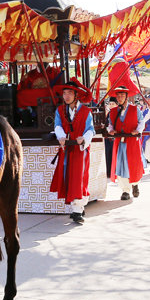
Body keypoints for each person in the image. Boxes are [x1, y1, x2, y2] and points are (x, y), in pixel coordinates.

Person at [50, 79, 94, 224]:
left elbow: (91, 130)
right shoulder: (60, 110)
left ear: (76, 95)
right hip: (67, 148)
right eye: (64, 93)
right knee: (68, 177)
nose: (66, 96)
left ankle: (77, 211)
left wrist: (84, 138)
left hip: (80, 150)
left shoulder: (86, 111)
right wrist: (61, 136)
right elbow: (57, 125)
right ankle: (78, 207)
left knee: (78, 177)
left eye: (69, 93)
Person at [106, 86, 143, 200]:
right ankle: (125, 190)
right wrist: (110, 130)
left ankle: (135, 183)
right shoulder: (113, 111)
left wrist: (138, 130)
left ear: (127, 97)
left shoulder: (135, 109)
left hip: (132, 141)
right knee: (121, 165)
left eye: (122, 95)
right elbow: (110, 124)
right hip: (119, 141)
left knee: (134, 164)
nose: (120, 97)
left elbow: (141, 122)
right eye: (118, 95)